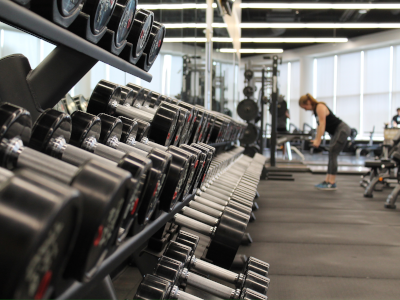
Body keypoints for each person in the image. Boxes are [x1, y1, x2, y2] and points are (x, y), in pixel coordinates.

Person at [299, 93, 351, 190]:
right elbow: (319, 126)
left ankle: (331, 182)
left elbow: (323, 124)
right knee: (331, 153)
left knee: (333, 153)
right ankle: (327, 180)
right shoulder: (315, 111)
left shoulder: (320, 106)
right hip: (336, 132)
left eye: (304, 106)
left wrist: (318, 140)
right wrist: (316, 139)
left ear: (308, 102)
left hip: (341, 130)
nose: (305, 109)